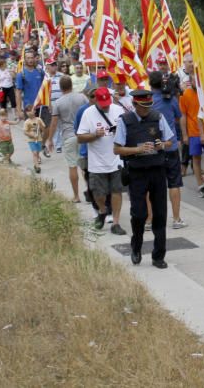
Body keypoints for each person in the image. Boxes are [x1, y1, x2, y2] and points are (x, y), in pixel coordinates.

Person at [113, 88, 177, 269]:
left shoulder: (157, 117)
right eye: (143, 107)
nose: (147, 110)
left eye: (149, 106)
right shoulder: (125, 121)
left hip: (157, 170)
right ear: (134, 104)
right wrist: (137, 150)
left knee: (160, 214)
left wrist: (162, 144)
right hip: (137, 172)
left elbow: (171, 141)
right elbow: (117, 149)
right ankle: (136, 247)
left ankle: (158, 256)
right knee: (139, 214)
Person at [78, 87, 127, 234]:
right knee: (98, 193)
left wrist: (119, 131)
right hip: (97, 161)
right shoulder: (88, 113)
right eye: (102, 104)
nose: (105, 106)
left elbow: (128, 130)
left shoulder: (118, 110)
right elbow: (80, 137)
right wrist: (94, 135)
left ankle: (116, 223)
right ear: (96, 101)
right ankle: (103, 210)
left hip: (116, 159)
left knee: (117, 191)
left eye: (107, 103)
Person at [150, 71, 187, 229]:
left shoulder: (147, 100)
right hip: (170, 146)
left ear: (150, 84)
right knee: (174, 184)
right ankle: (176, 219)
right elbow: (178, 117)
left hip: (153, 148)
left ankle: (150, 220)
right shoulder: (171, 100)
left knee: (152, 186)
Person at [50, 75, 88, 203]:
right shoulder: (82, 97)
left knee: (72, 166)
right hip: (83, 135)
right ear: (72, 85)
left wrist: (50, 139)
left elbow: (54, 123)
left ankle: (76, 196)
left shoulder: (58, 102)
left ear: (60, 88)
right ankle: (90, 193)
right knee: (85, 166)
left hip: (68, 136)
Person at [178, 74, 204, 196]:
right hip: (193, 132)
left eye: (198, 79)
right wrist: (185, 135)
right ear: (190, 81)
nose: (196, 82)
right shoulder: (185, 94)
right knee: (196, 158)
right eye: (194, 80)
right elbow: (183, 116)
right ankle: (200, 185)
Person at [23, 107, 47, 174]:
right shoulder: (27, 122)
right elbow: (25, 132)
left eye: (31, 110)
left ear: (34, 111)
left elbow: (43, 129)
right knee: (34, 153)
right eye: (27, 111)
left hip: (39, 139)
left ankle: (37, 160)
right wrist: (32, 135)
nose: (29, 112)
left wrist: (40, 125)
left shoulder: (38, 119)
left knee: (38, 151)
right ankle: (37, 167)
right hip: (31, 140)